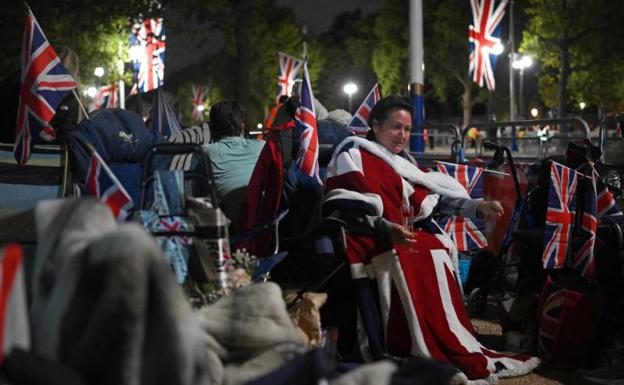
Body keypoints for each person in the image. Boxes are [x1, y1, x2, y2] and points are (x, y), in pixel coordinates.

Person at [323, 96, 539, 382]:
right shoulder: (352, 153)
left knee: (436, 246)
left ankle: (445, 340)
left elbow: (433, 199)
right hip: (371, 237)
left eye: (407, 129)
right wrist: (388, 228)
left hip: (405, 235)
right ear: (375, 126)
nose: (402, 135)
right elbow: (345, 202)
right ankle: (410, 344)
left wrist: (477, 206)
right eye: (395, 127)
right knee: (420, 252)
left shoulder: (406, 161)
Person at [203, 100, 264, 235]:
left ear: (212, 128)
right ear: (242, 126)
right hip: (267, 225)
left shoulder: (204, 153)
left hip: (231, 230)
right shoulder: (262, 147)